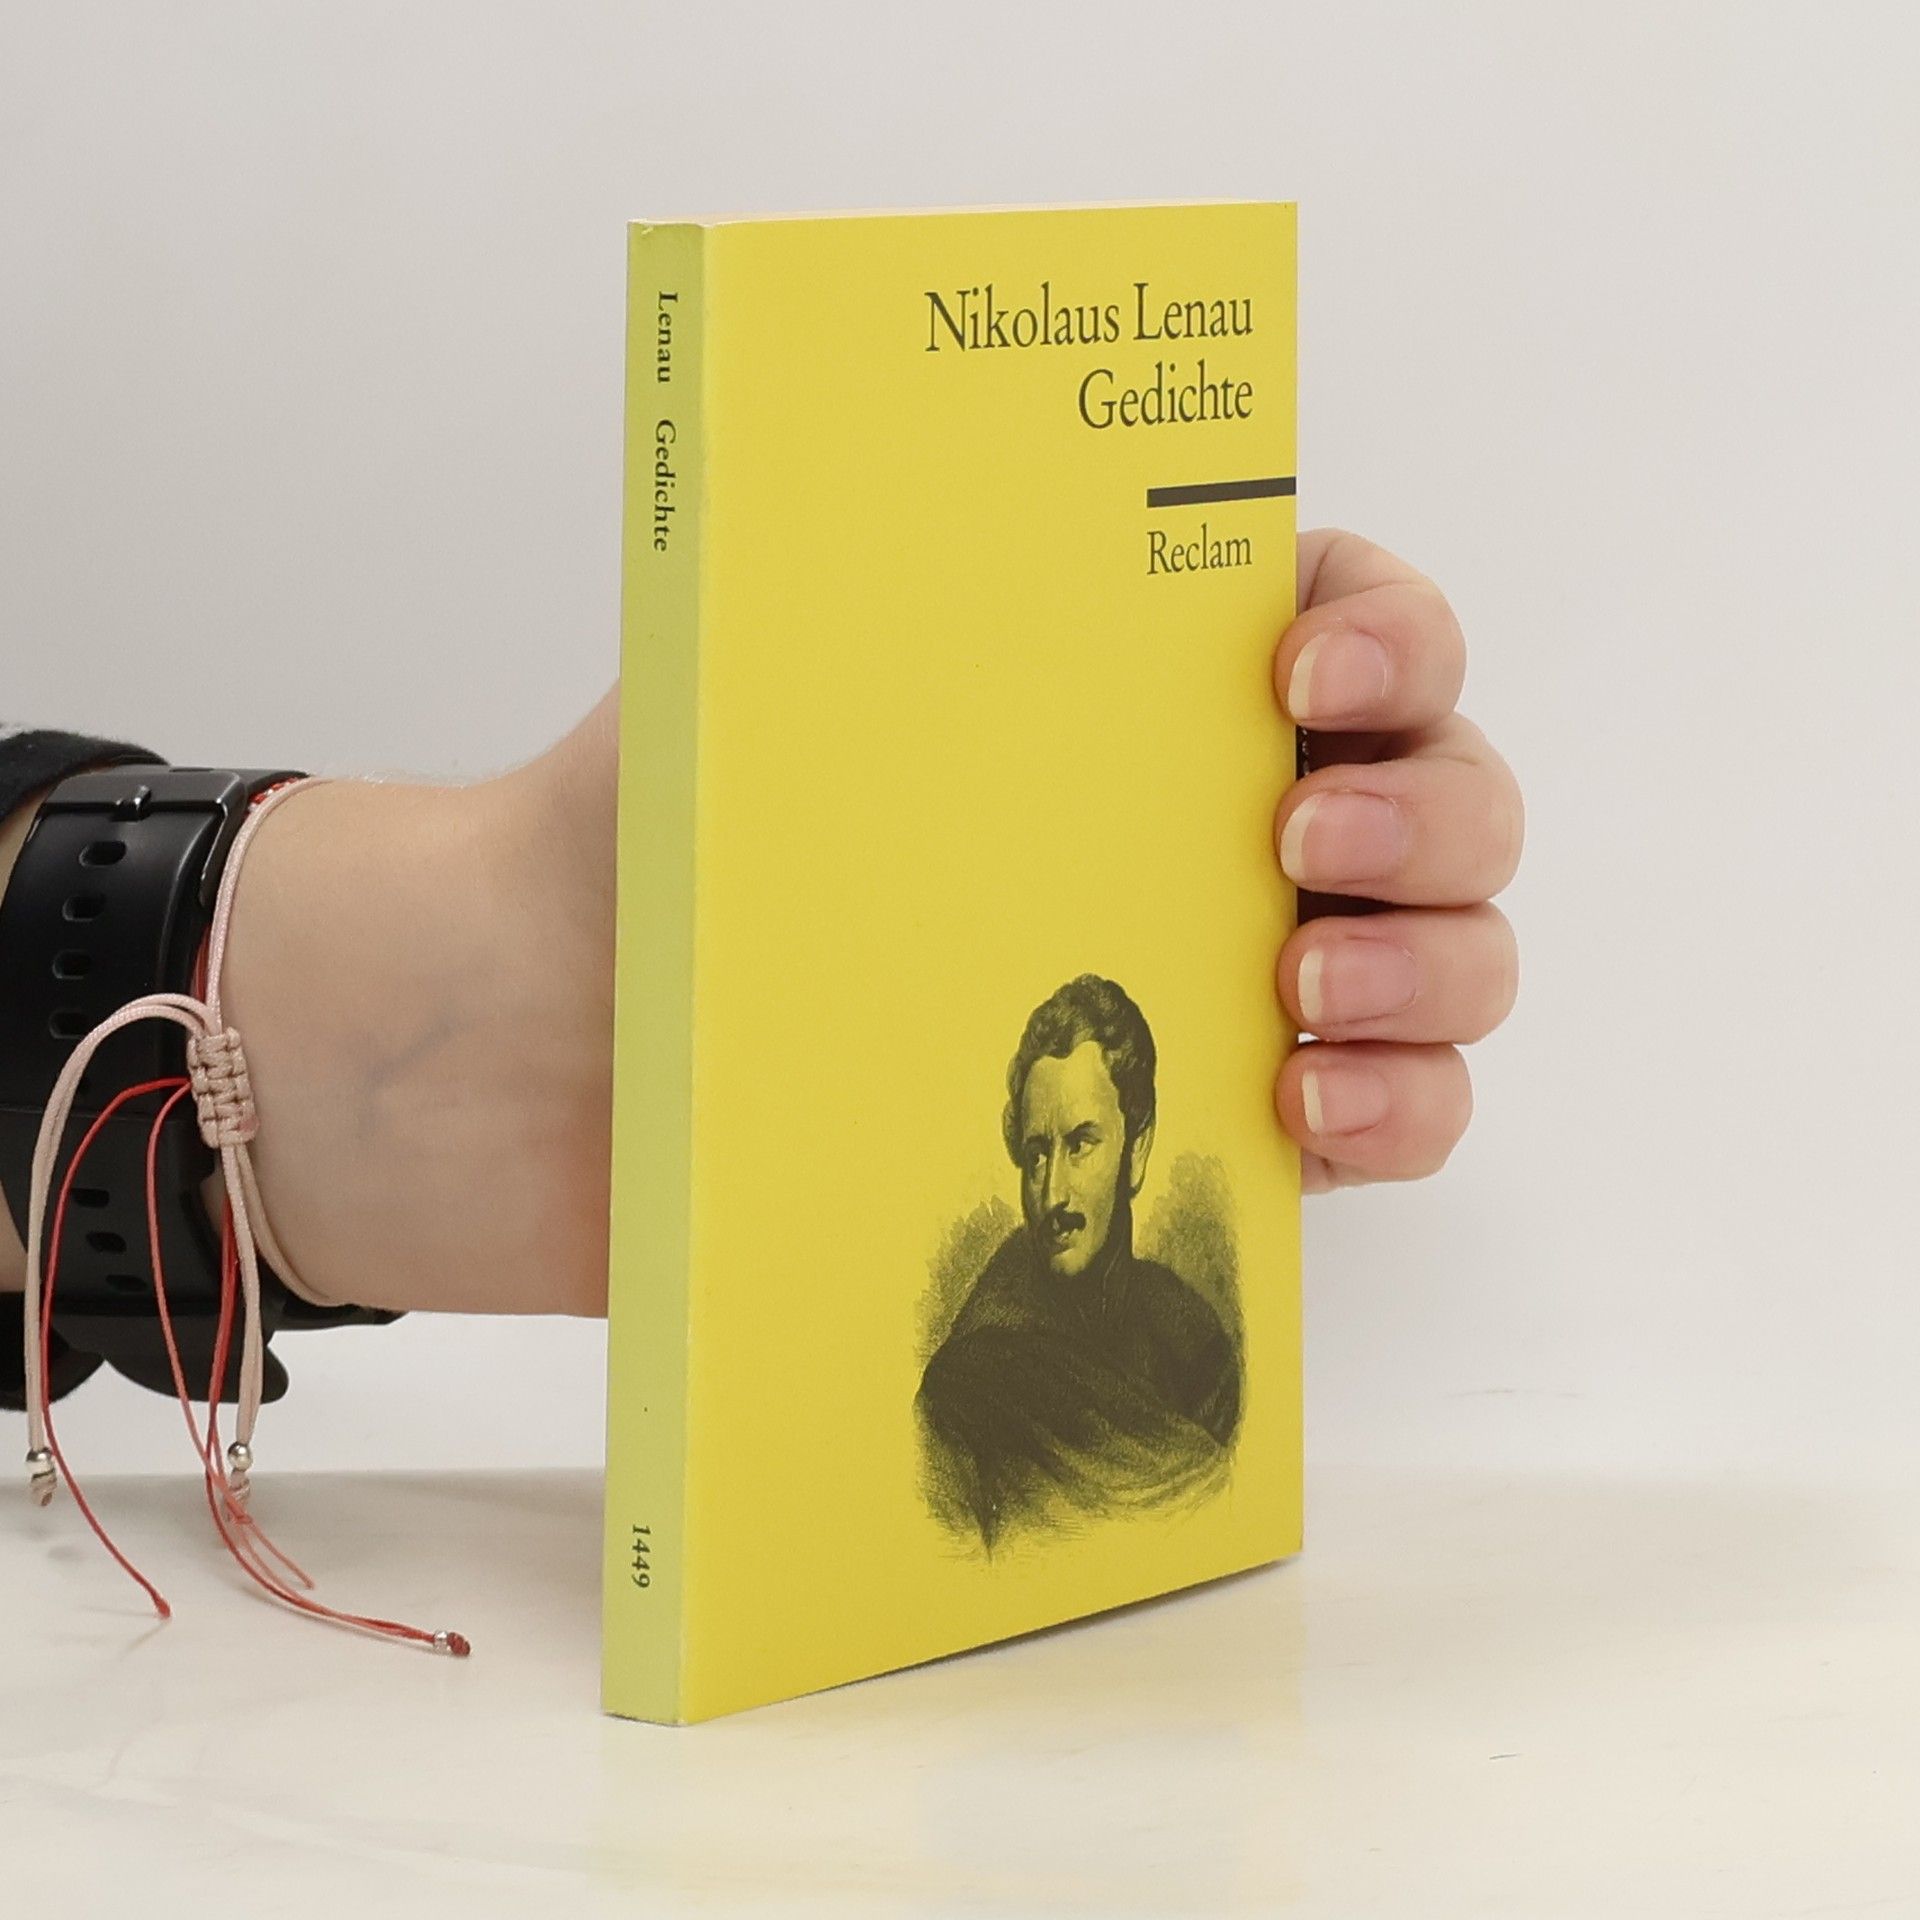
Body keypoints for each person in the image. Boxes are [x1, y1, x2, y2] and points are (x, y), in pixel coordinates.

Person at [0, 529, 1524, 1401]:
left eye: (1086, 1142)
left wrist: (454, 971)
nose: (1058, 1181)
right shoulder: (976, 1361)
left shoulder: (1151, 1364)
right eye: (1041, 1141)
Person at [917, 973, 1242, 1551]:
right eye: (1037, 1154)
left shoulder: (1197, 1350)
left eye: (1081, 1144)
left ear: (1136, 1149)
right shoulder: (967, 1389)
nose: (1053, 1194)